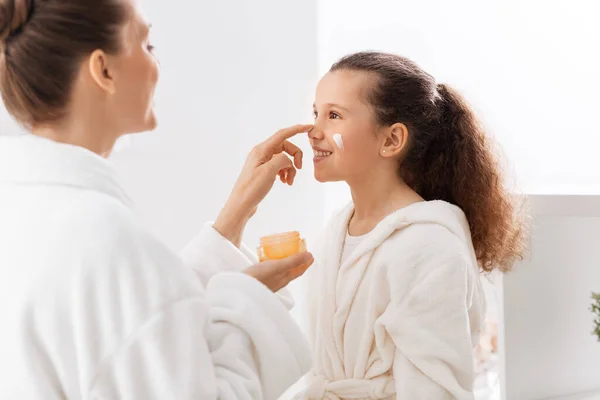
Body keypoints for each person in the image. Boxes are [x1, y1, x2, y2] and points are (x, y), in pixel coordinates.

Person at [0, 0, 314, 399]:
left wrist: (232, 219)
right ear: (104, 70)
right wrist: (242, 300)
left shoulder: (23, 209)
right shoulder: (106, 240)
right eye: (147, 45)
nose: (157, 65)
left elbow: (130, 327)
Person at [295, 51, 527, 399]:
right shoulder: (337, 232)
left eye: (334, 115)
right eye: (315, 113)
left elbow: (435, 390)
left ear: (391, 140)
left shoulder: (429, 246)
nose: (313, 131)